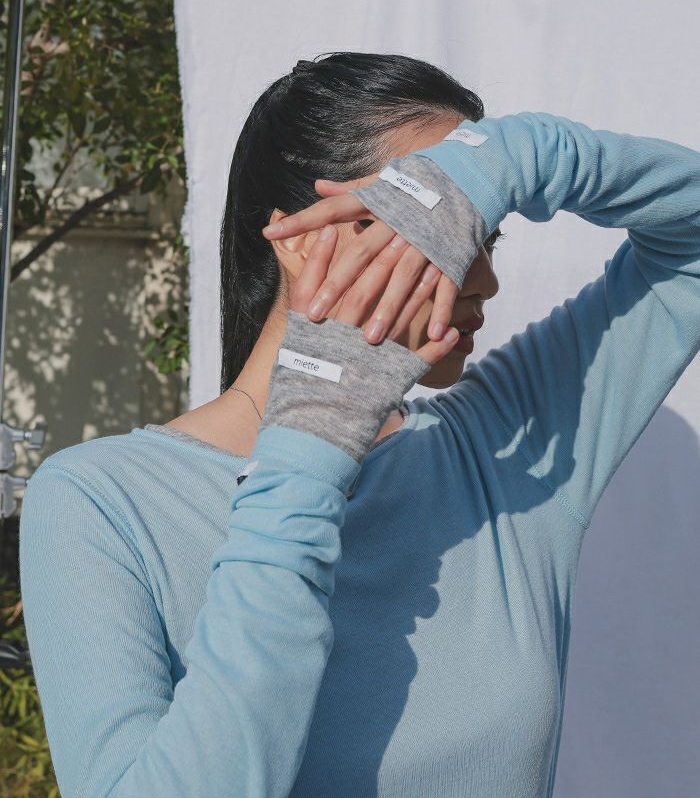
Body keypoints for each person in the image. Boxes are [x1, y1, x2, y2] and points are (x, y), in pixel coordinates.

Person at [18, 52, 699, 798]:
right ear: (301, 240)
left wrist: (518, 152)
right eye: (435, 230)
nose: (485, 277)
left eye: (481, 227)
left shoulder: (498, 449)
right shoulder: (100, 501)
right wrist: (310, 448)